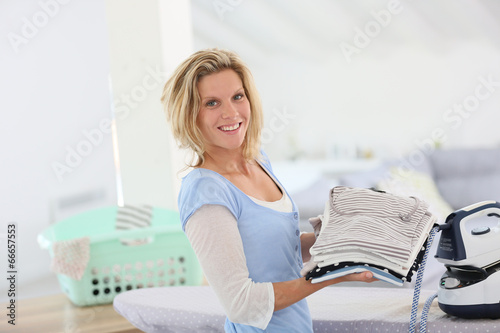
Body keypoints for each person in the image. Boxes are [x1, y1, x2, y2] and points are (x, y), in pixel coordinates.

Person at [161, 48, 376, 332]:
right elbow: (242, 304)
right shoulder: (205, 192)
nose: (231, 112)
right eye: (211, 103)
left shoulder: (258, 160)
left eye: (237, 96)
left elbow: (275, 251)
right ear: (189, 115)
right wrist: (333, 275)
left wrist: (340, 239)